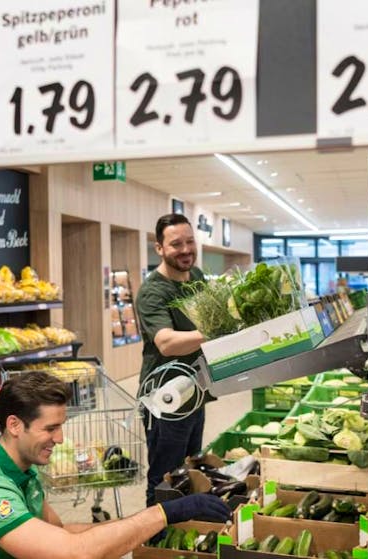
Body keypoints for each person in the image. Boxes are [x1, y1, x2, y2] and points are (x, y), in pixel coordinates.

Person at [0, 371, 230, 559]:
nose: (60, 438)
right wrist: (164, 512)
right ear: (14, 425)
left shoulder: (26, 471)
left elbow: (62, 531)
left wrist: (145, 526)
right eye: (50, 429)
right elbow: (73, 553)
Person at [135, 213, 208, 507]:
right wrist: (214, 333)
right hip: (164, 398)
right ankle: (155, 541)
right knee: (164, 476)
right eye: (176, 244)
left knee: (190, 467)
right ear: (160, 249)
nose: (186, 249)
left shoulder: (198, 278)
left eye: (190, 241)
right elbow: (165, 342)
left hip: (195, 389)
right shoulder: (153, 291)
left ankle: (184, 527)